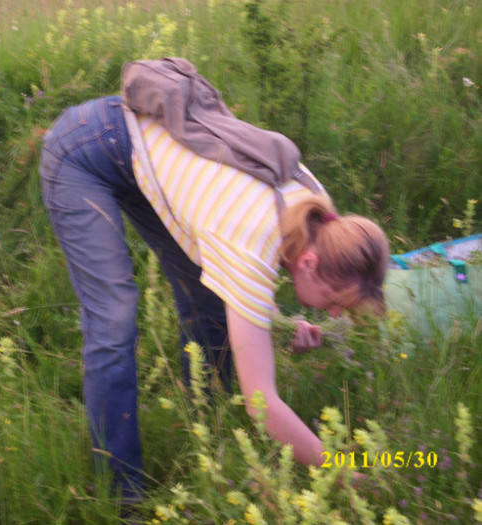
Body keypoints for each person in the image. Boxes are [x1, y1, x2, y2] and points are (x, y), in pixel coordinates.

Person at [38, 83, 389, 506]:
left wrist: (276, 327)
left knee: (207, 300)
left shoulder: (316, 212)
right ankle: (122, 499)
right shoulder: (254, 235)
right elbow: (264, 402)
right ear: (311, 264)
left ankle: (207, 426)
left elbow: (244, 281)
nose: (333, 314)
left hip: (146, 151)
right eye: (335, 302)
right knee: (114, 320)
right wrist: (342, 475)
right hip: (87, 149)